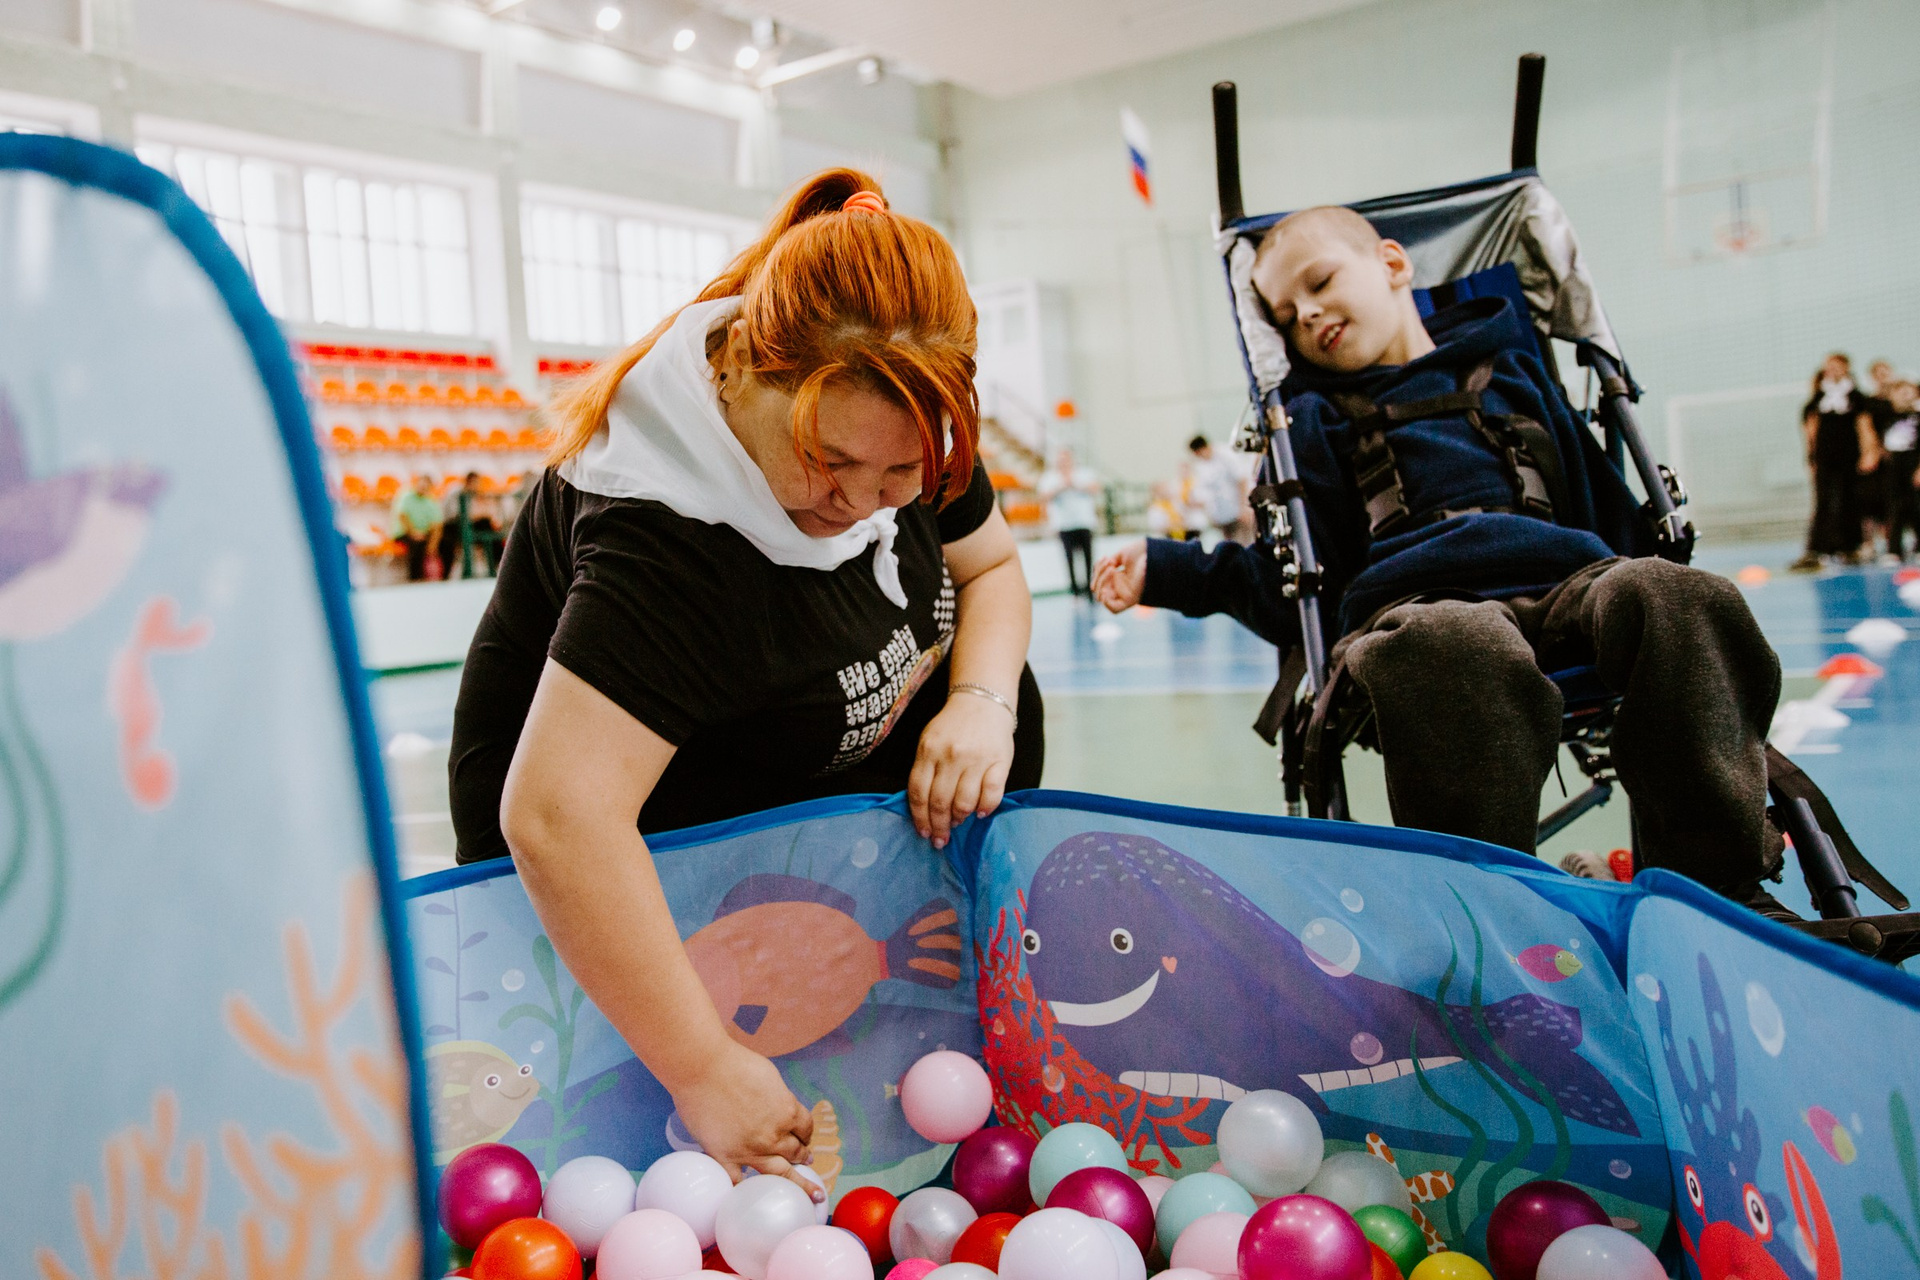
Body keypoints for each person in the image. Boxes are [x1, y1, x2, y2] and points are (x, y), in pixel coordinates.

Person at [447, 169, 1042, 1194]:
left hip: (794, 746)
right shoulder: (669, 541)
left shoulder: (903, 411)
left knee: (1006, 702)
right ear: (736, 372)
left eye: (900, 477)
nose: (863, 502)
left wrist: (981, 704)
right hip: (639, 831)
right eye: (828, 461)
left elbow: (990, 568)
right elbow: (557, 818)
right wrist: (704, 1066)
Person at [1092, 205, 1790, 918]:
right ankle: (1484, 915)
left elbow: (1604, 514)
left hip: (1566, 586)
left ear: (1394, 265)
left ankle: (1720, 892)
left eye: (1320, 282)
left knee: (1678, 594)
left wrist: (1653, 586)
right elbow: (1287, 590)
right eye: (1286, 315)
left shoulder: (1513, 372)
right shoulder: (1315, 423)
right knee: (1455, 641)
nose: (1307, 314)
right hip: (1415, 611)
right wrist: (1167, 569)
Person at [1790, 354, 1881, 571]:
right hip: (1825, 459)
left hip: (1850, 458)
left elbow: (1865, 426)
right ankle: (1817, 550)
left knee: (1850, 501)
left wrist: (1869, 453)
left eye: (1837, 366)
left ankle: (1850, 548)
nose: (1833, 370)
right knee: (1823, 502)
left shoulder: (1857, 398)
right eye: (1829, 366)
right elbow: (1810, 431)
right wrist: (1811, 458)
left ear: (1846, 368)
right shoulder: (1818, 399)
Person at [1037, 446, 1100, 596]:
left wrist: (1075, 484)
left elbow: (1096, 488)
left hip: (1084, 522)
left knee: (1088, 557)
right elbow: (1043, 496)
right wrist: (1061, 487)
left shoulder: (1084, 474)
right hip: (1064, 524)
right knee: (1069, 559)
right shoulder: (1050, 478)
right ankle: (1075, 591)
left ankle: (1090, 590)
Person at [1187, 435, 1252, 543]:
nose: (1200, 457)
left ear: (1204, 448)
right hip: (1222, 516)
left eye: (1199, 454)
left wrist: (1244, 507)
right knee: (1230, 546)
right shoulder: (1201, 465)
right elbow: (1206, 491)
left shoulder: (1226, 454)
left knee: (1244, 543)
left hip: (1238, 510)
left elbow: (1241, 480)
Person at [1882, 379, 1920, 562]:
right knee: (1895, 507)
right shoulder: (1887, 416)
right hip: (1894, 465)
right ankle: (1895, 549)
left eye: (1908, 392)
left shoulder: (1917, 416)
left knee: (1917, 505)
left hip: (1913, 462)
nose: (1904, 396)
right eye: (1900, 393)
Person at [390, 473, 442, 582]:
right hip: (404, 533)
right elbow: (402, 516)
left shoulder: (431, 500)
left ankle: (443, 578)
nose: (423, 486)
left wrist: (433, 544)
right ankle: (415, 579)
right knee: (417, 544)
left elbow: (437, 524)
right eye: (421, 484)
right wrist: (414, 533)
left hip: (424, 534)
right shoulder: (406, 496)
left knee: (446, 543)